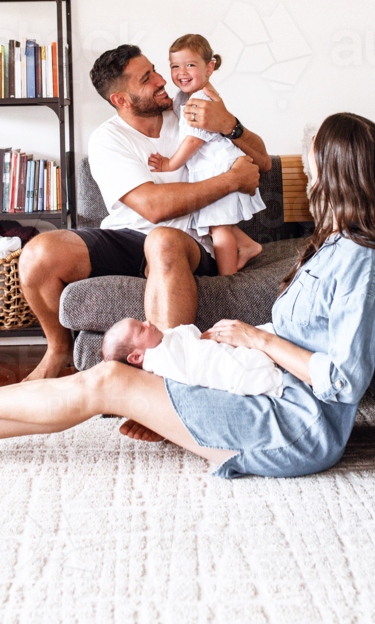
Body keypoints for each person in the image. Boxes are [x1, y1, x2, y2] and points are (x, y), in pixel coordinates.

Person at [0, 112, 375, 479]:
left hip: (291, 427)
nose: (310, 168)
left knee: (111, 379)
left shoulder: (363, 259)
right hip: (265, 391)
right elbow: (298, 336)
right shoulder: (332, 247)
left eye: (314, 156)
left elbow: (344, 382)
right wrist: (225, 350)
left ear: (339, 171)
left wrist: (257, 338)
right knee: (115, 381)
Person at [16, 44, 270, 416]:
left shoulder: (190, 111)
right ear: (121, 99)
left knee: (162, 239)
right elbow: (152, 207)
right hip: (126, 236)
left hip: (186, 241)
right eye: (147, 78)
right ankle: (57, 350)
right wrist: (230, 181)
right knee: (39, 253)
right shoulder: (109, 139)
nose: (162, 80)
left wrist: (229, 125)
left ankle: (162, 391)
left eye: (155, 70)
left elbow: (261, 160)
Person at [148, 34, 265, 274]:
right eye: (175, 66)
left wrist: (170, 164)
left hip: (219, 167)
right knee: (215, 222)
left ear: (209, 67)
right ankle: (248, 246)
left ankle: (228, 279)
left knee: (219, 228)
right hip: (214, 166)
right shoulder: (188, 96)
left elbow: (192, 141)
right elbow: (177, 109)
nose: (182, 72)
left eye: (190, 65)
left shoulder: (199, 101)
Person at [101, 318, 284, 397]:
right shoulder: (159, 361)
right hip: (245, 371)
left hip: (227, 354)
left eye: (142, 321)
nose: (148, 322)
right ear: (136, 357)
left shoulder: (162, 344)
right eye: (141, 329)